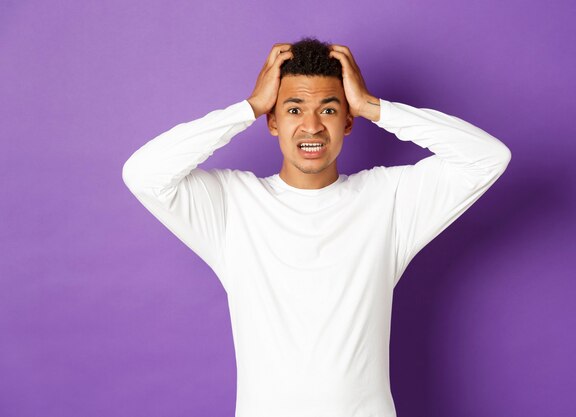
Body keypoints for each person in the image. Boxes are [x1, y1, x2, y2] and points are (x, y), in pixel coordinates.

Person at [122, 37, 511, 417]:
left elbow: (487, 158)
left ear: (348, 121)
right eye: (293, 110)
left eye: (328, 110)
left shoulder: (389, 200)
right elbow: (143, 173)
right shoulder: (231, 205)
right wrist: (249, 107)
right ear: (272, 122)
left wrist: (375, 107)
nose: (311, 126)